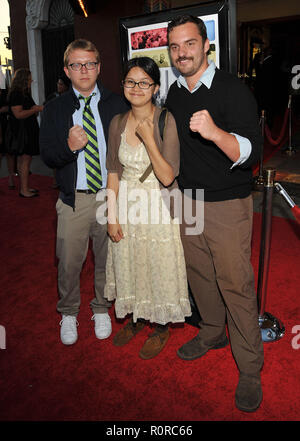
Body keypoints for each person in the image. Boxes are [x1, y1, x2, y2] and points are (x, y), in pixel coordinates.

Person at [165, 15, 264, 412]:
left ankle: (251, 367)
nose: (181, 53)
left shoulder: (232, 90)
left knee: (235, 282)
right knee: (200, 275)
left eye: (189, 44)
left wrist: (215, 132)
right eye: (174, 46)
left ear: (206, 45)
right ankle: (211, 332)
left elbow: (252, 153)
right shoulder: (173, 93)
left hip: (226, 204)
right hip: (188, 201)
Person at [39, 39, 129, 345]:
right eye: (77, 65)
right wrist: (69, 147)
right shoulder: (54, 108)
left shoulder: (117, 104)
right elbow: (48, 155)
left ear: (99, 67)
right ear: (67, 70)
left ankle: (101, 307)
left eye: (90, 63)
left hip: (109, 196)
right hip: (73, 198)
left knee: (108, 258)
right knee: (68, 261)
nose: (84, 70)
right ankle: (68, 312)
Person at [104, 56, 191, 360]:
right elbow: (112, 173)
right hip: (126, 202)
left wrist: (147, 138)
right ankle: (135, 317)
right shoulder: (116, 122)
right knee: (129, 260)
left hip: (157, 203)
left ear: (155, 87)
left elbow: (168, 175)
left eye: (144, 82)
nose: (136, 88)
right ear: (123, 86)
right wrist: (111, 217)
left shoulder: (166, 119)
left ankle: (161, 326)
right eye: (130, 82)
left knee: (158, 263)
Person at [5, 68, 43, 197]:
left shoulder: (24, 93)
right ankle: (24, 190)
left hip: (27, 130)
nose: (31, 80)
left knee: (24, 160)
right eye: (29, 78)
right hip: (23, 133)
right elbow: (18, 114)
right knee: (25, 160)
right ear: (23, 79)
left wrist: (35, 109)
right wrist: (35, 110)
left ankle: (24, 187)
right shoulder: (16, 94)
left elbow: (28, 109)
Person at [45, 74, 71, 188]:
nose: (58, 86)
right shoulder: (53, 97)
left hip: (67, 130)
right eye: (58, 83)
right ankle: (56, 181)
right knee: (56, 155)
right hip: (56, 131)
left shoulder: (71, 98)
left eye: (61, 84)